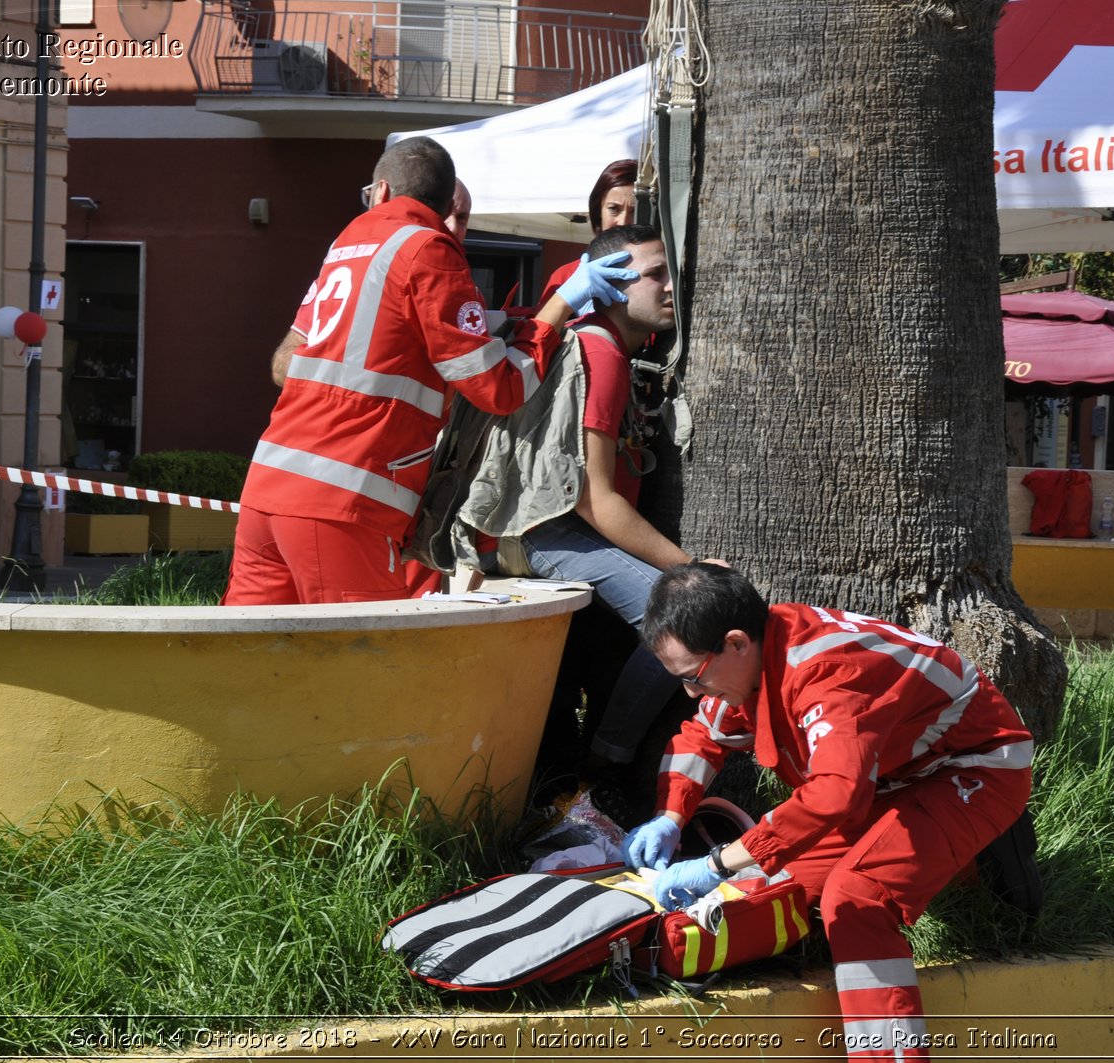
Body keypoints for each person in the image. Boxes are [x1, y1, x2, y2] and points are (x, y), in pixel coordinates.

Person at [623, 564, 1034, 1062]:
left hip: (973, 770)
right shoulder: (755, 657)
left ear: (735, 643)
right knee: (785, 881)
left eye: (693, 677)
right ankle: (966, 869)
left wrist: (716, 863)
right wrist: (670, 816)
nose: (692, 693)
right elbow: (702, 738)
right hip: (888, 781)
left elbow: (835, 795)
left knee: (855, 898)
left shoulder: (828, 672)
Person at [226, 138, 636, 605]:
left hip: (268, 484)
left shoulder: (347, 245)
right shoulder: (430, 250)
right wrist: (558, 307)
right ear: (444, 205)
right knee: (366, 656)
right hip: (344, 496)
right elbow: (499, 390)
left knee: (247, 653)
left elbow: (289, 363)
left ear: (380, 192)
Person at [515, 224, 695, 780]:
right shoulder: (601, 352)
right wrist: (691, 571)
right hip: (548, 535)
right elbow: (595, 498)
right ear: (612, 285)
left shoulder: (602, 343)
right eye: (654, 274)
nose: (671, 287)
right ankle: (603, 769)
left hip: (567, 536)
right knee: (683, 617)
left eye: (673, 273)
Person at [270, 179, 473, 387]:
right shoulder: (355, 266)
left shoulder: (458, 287)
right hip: (340, 415)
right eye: (443, 214)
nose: (452, 227)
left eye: (462, 218)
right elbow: (282, 365)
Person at [537, 158, 639, 307]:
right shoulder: (567, 276)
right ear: (598, 212)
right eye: (614, 209)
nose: (623, 222)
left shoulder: (666, 275)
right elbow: (541, 329)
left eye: (634, 211)